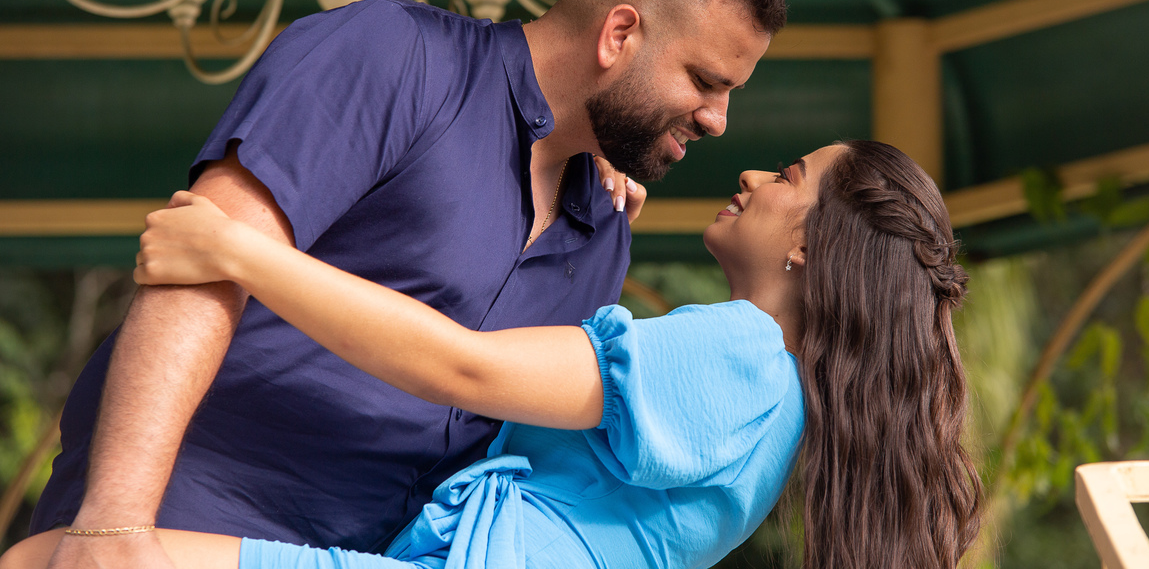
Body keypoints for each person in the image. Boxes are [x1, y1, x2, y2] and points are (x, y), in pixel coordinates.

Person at [30, 0, 789, 569]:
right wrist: (112, 524)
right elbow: (197, 260)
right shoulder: (395, 56)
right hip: (174, 524)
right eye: (705, 81)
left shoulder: (605, 233)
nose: (718, 120)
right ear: (619, 33)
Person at [4, 140, 982, 569]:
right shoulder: (772, 403)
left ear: (810, 243)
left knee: (60, 557)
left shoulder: (742, 354)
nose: (758, 173)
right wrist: (584, 210)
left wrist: (241, 254)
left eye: (792, 175)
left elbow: (464, 368)